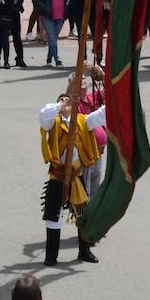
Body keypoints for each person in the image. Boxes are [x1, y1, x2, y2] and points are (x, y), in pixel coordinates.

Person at [39, 73, 106, 265]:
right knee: (53, 215)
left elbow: (102, 114)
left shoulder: (82, 120)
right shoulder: (52, 121)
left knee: (82, 214)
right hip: (58, 175)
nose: (65, 101)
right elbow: (43, 114)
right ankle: (51, 256)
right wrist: (63, 102)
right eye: (61, 100)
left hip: (77, 176)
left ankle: (84, 252)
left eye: (67, 100)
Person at [33, 0, 71, 68]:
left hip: (60, 16)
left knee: (52, 38)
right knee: (53, 37)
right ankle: (57, 60)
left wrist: (66, 6)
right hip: (47, 16)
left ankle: (49, 58)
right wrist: (45, 8)